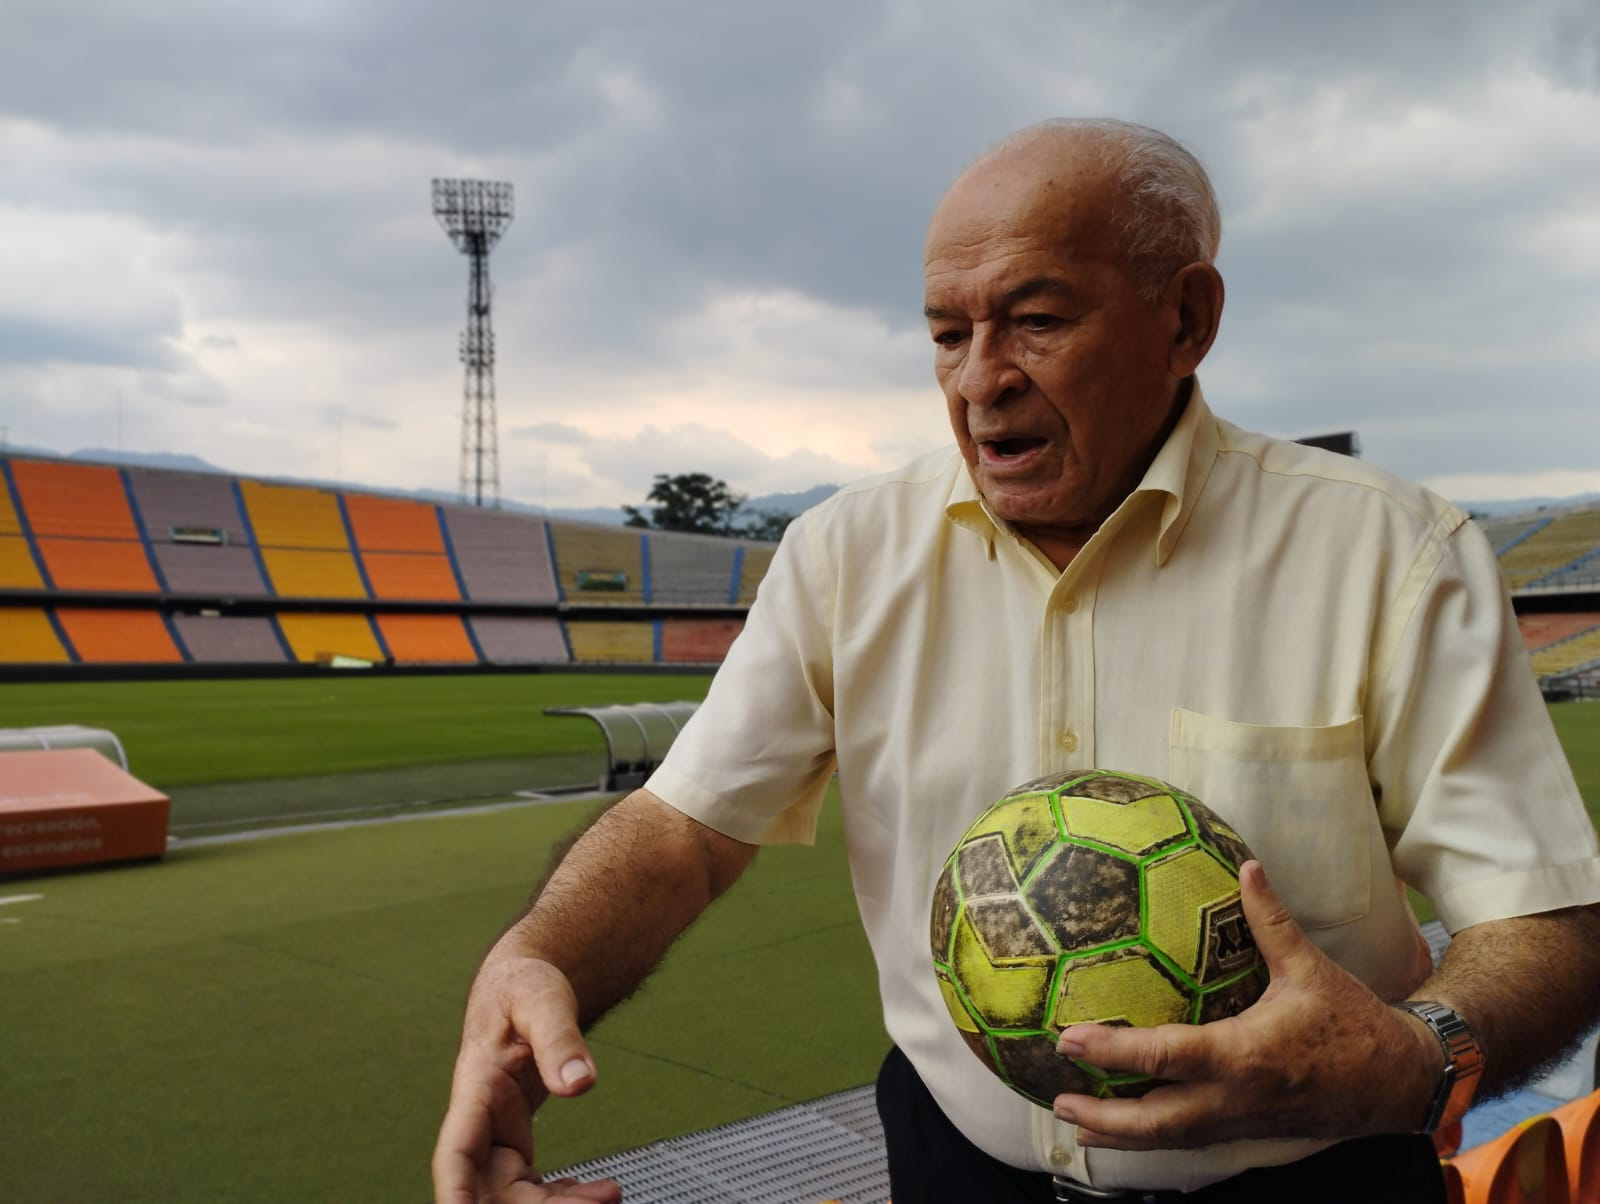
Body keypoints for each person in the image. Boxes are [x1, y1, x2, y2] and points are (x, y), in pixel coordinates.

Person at [432, 119, 1600, 1203]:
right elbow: (684, 828)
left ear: (1185, 321)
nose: (980, 378)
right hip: (955, 1168)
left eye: (1035, 321)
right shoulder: (847, 552)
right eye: (948, 332)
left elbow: (1546, 918)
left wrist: (1405, 1058)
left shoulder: (1388, 553)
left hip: (1311, 1175)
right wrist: (536, 957)